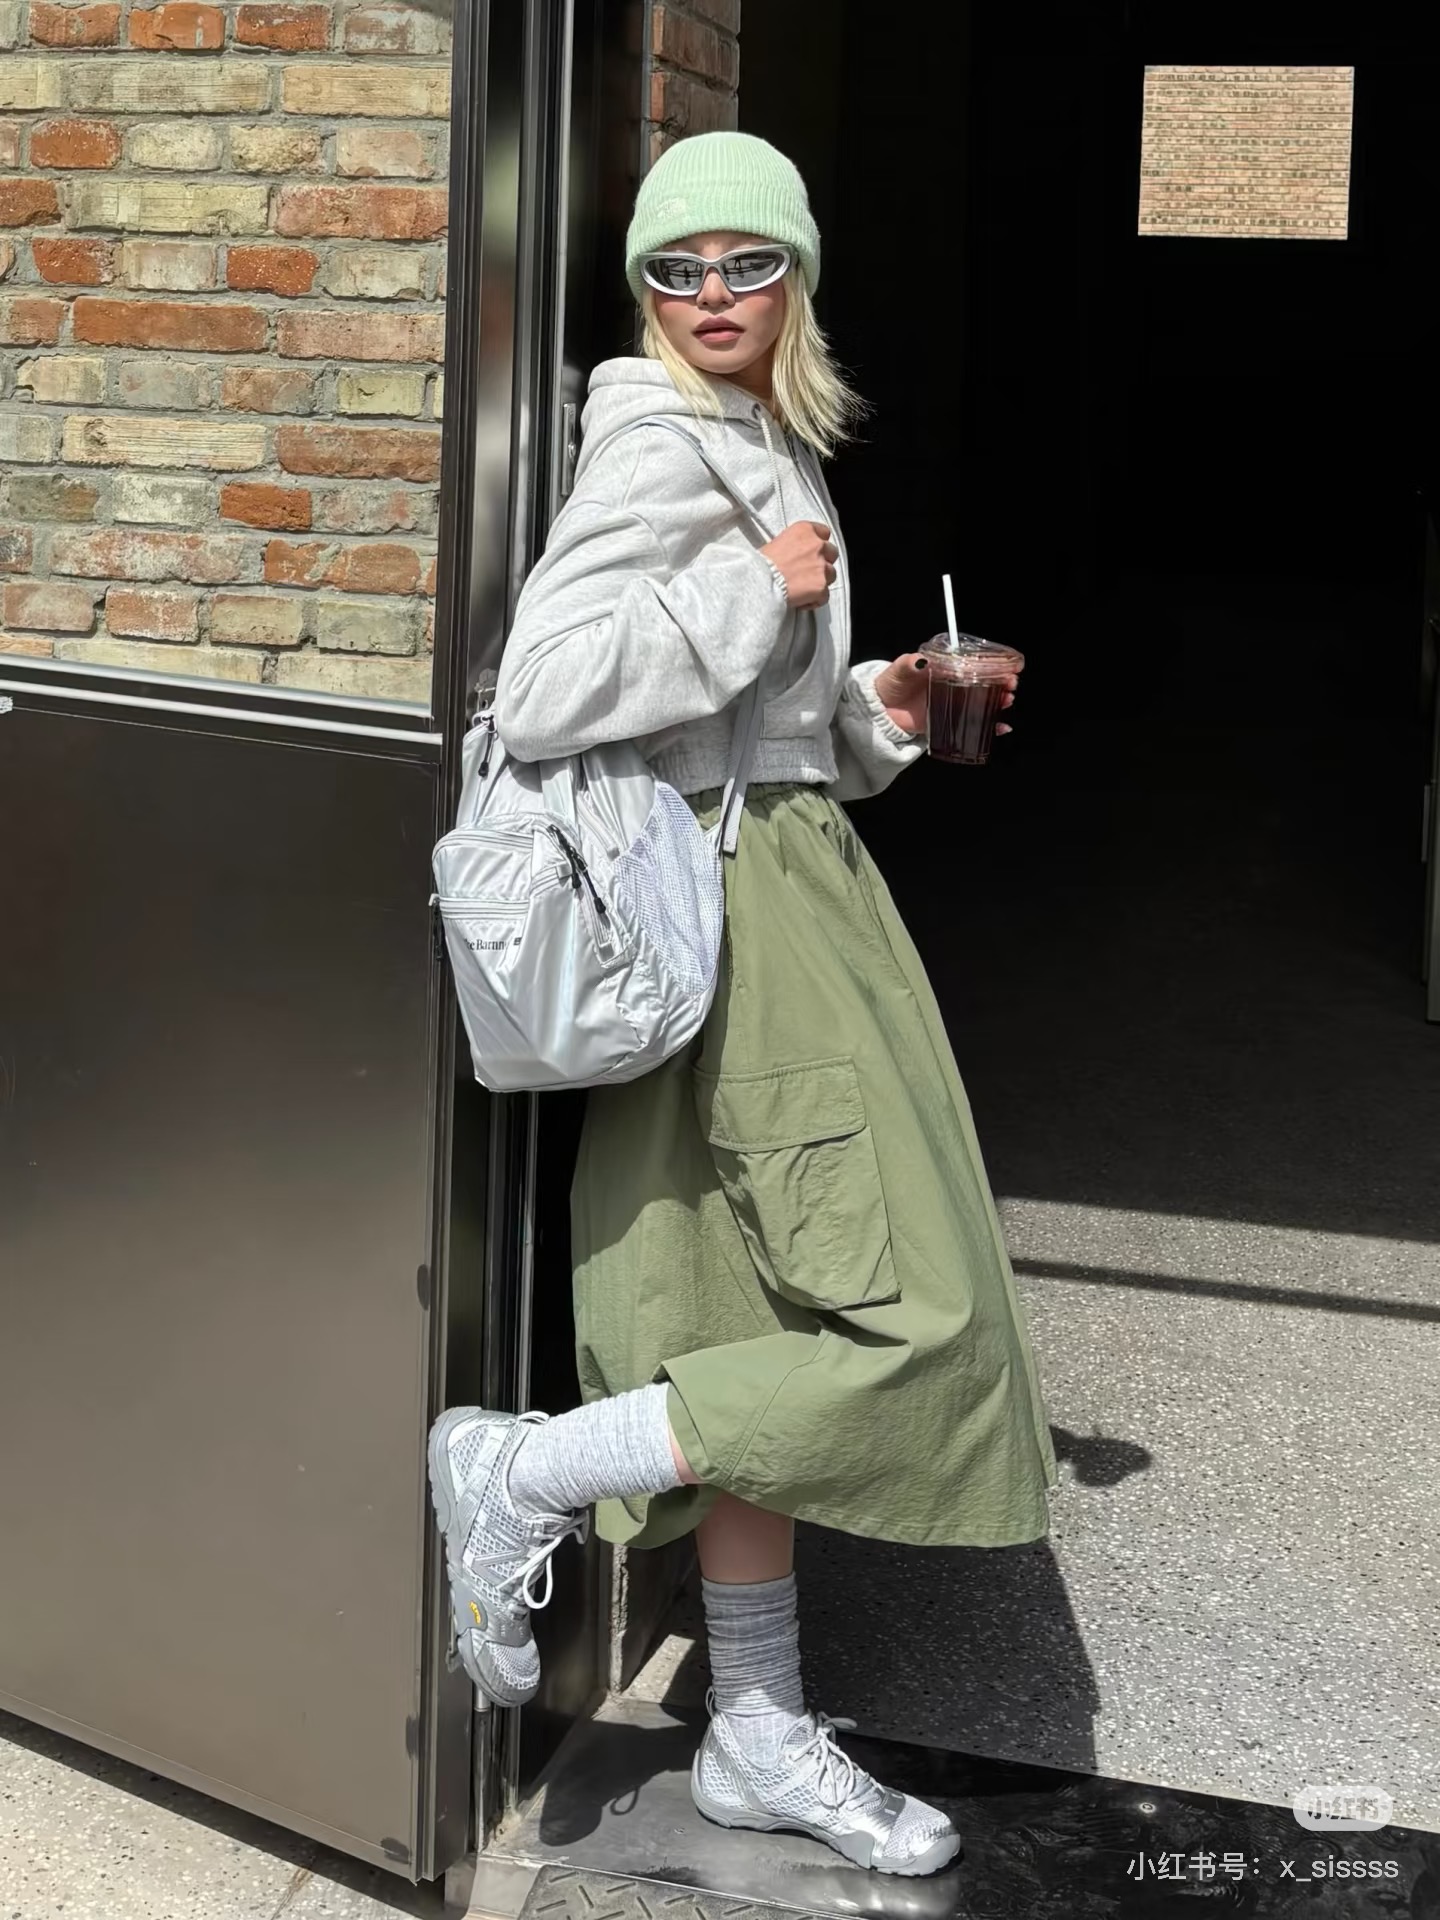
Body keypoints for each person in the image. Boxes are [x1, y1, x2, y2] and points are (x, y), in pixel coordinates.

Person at [428, 130, 1058, 1878]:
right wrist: (745, 589)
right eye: (677, 268)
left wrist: (879, 706)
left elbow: (765, 742)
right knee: (926, 1318)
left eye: (747, 262)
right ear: (645, 290)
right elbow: (548, 686)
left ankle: (757, 1732)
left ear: (798, 277)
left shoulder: (765, 437)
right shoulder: (659, 444)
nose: (713, 293)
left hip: (769, 891)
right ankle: (530, 1469)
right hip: (747, 925)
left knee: (741, 1309)